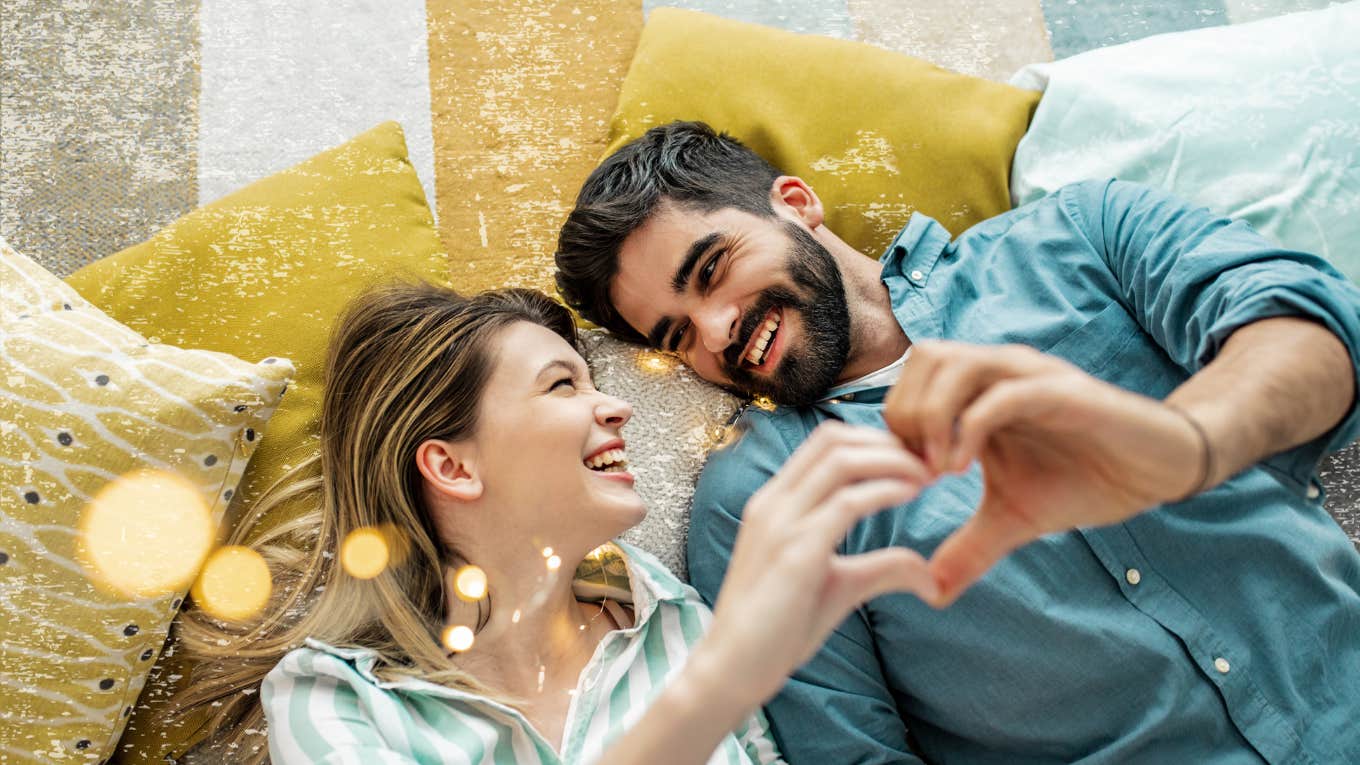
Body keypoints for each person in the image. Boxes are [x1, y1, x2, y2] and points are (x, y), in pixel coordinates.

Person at [554, 121, 1360, 764]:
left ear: (796, 203)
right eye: (677, 333)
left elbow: (1318, 327)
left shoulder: (1079, 235)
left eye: (713, 268)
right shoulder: (760, 499)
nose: (719, 329)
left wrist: (1189, 442)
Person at [173, 283, 940, 764]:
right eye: (560, 386)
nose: (615, 406)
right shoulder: (337, 703)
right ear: (453, 466)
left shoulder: (676, 621)